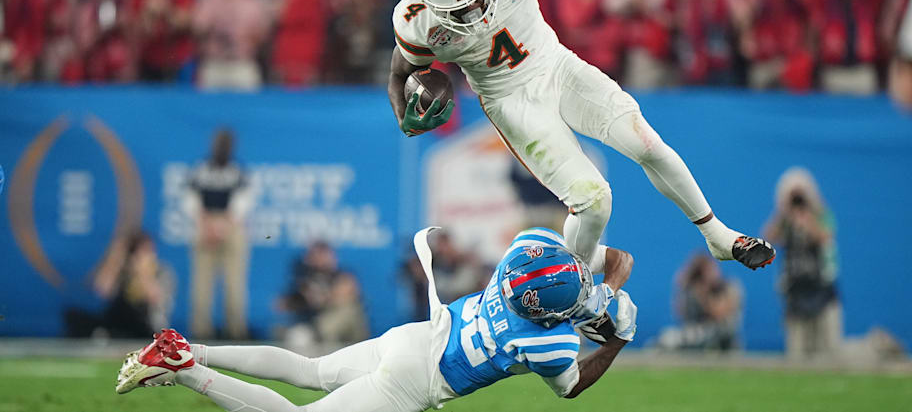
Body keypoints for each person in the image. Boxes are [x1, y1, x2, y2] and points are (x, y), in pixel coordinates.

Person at [386, 0, 775, 275]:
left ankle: (717, 235)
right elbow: (399, 75)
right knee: (593, 201)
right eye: (460, 11)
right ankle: (579, 284)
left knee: (647, 143)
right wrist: (405, 118)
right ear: (431, 2)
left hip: (557, 65)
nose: (474, 13)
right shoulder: (415, 20)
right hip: (512, 101)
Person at [114, 227, 637, 411]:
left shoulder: (527, 248)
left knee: (308, 370)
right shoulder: (553, 346)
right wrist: (617, 338)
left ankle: (189, 347)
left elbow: (581, 266)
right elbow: (570, 387)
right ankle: (183, 366)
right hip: (417, 381)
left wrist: (604, 289)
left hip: (416, 337)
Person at [763, 167, 842, 360]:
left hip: (822, 290)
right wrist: (783, 212)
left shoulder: (821, 215)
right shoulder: (785, 220)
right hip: (796, 292)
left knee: (829, 351)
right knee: (797, 353)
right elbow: (768, 237)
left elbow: (826, 238)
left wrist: (809, 218)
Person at [184, 129, 252, 340]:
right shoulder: (201, 169)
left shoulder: (238, 171)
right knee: (201, 283)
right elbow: (190, 199)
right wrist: (206, 224)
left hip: (231, 225)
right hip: (205, 224)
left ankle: (236, 330)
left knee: (234, 283)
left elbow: (243, 202)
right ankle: (201, 331)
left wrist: (224, 225)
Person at [278, 242, 369, 349]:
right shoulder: (304, 277)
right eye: (315, 255)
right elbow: (282, 304)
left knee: (347, 311)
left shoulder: (343, 275)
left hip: (337, 325)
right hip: (309, 325)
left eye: (323, 254)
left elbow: (346, 295)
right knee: (299, 336)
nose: (320, 259)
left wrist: (325, 297)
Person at [656, 254, 742, 351]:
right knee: (668, 337)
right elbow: (681, 313)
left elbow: (719, 314)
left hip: (724, 336)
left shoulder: (729, 286)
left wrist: (703, 295)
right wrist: (684, 284)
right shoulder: (693, 289)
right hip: (697, 333)